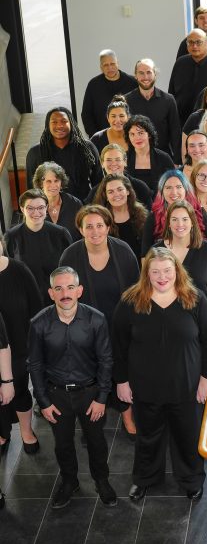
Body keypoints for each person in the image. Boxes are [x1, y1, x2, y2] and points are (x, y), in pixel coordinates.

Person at [113, 247, 207, 502]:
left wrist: (206, 378)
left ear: (177, 271)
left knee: (187, 435)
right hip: (145, 387)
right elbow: (118, 345)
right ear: (146, 273)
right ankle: (145, 479)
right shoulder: (130, 301)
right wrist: (122, 381)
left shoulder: (194, 298)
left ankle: (191, 479)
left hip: (187, 386)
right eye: (156, 271)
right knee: (147, 436)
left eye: (168, 271)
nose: (162, 277)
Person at [28, 266, 116, 509]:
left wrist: (101, 398)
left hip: (90, 394)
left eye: (69, 287)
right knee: (62, 444)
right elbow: (34, 364)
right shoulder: (38, 323)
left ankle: (102, 481)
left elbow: (106, 360)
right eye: (59, 288)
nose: (64, 293)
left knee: (97, 442)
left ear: (79, 291)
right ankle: (69, 482)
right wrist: (43, 401)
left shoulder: (96, 319)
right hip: (56, 395)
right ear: (51, 293)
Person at [59, 205, 140, 439]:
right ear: (81, 229)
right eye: (89, 226)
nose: (95, 231)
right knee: (90, 378)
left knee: (122, 372)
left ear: (108, 227)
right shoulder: (70, 256)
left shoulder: (123, 251)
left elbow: (136, 292)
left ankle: (127, 416)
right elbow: (64, 295)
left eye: (99, 225)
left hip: (120, 326)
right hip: (85, 329)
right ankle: (91, 422)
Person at [0, 235, 42, 456]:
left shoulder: (18, 270)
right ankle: (1, 433)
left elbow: (37, 309)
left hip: (18, 346)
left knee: (19, 390)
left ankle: (26, 431)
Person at [153, 200, 207, 325]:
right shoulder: (156, 252)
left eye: (185, 219)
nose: (180, 224)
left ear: (192, 222)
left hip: (202, 322)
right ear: (168, 223)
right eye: (174, 219)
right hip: (167, 323)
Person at [5, 188, 72, 300]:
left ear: (46, 208)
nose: (36, 212)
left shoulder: (61, 234)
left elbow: (70, 267)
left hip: (57, 297)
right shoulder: (12, 236)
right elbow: (9, 272)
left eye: (40, 207)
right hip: (25, 297)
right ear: (22, 209)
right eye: (30, 208)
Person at [25, 107, 102, 200]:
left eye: (64, 121)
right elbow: (32, 188)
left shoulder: (87, 148)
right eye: (54, 122)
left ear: (71, 123)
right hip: (49, 206)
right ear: (47, 125)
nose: (59, 125)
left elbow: (98, 181)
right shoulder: (35, 152)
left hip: (84, 205)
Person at [141, 169, 207, 255]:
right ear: (162, 192)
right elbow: (145, 255)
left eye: (179, 187)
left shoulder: (199, 212)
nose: (174, 192)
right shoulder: (153, 217)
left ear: (186, 189)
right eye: (168, 188)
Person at [124, 59, 182, 162]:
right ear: (135, 75)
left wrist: (177, 161)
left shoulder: (168, 100)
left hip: (163, 159)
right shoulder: (126, 101)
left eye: (149, 72)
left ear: (155, 74)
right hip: (135, 159)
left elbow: (175, 133)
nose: (145, 77)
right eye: (141, 73)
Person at [80, 49, 137, 135]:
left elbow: (139, 111)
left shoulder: (132, 82)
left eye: (112, 64)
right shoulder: (94, 85)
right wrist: (96, 136)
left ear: (118, 63)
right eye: (106, 65)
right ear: (101, 67)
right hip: (103, 139)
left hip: (129, 137)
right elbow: (86, 114)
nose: (110, 68)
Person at [168, 28, 207, 123]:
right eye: (190, 42)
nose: (194, 46)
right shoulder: (180, 63)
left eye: (198, 42)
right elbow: (172, 92)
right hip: (182, 119)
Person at [89, 142, 153, 208]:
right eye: (109, 160)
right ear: (102, 163)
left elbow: (151, 215)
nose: (113, 163)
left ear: (125, 162)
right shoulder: (94, 193)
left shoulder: (140, 187)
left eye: (117, 160)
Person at [124, 114, 176, 196]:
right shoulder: (123, 158)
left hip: (159, 204)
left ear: (149, 134)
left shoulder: (164, 158)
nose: (137, 138)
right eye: (132, 134)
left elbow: (174, 184)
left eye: (140, 133)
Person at [32, 160, 83, 241]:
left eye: (56, 181)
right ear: (41, 184)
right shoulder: (33, 206)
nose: (53, 185)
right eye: (48, 181)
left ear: (61, 183)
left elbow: (83, 233)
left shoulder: (75, 204)